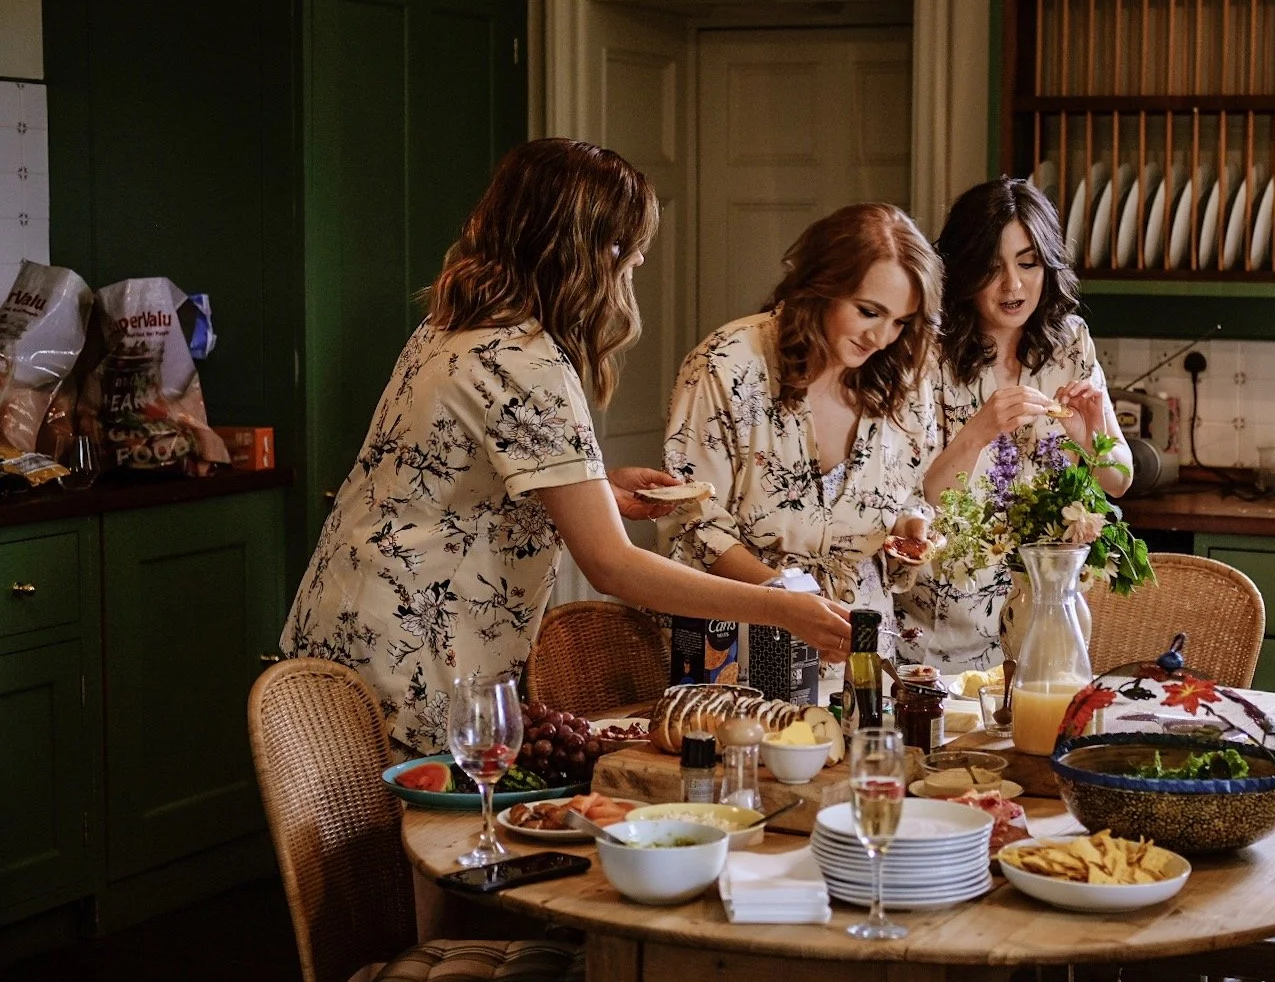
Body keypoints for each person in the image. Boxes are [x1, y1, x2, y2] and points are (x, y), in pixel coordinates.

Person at [280, 139, 850, 754]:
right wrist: (779, 608)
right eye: (628, 258)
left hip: (345, 626)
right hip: (412, 657)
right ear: (587, 253)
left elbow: (458, 484)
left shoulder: (456, 324)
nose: (631, 274)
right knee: (428, 843)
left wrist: (598, 491)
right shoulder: (525, 361)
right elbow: (611, 565)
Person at [661, 203, 940, 655]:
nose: (882, 338)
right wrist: (790, 601)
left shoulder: (905, 378)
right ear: (821, 286)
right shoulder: (726, 366)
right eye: (869, 311)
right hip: (742, 643)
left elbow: (907, 491)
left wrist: (909, 523)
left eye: (901, 321)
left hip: (859, 651)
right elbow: (693, 521)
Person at [896, 177, 1132, 673]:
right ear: (962, 271)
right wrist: (979, 431)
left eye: (1028, 263)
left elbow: (1118, 478)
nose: (1013, 285)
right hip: (941, 635)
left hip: (1043, 621)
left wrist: (1092, 438)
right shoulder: (925, 354)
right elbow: (912, 499)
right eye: (992, 267)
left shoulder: (1069, 341)